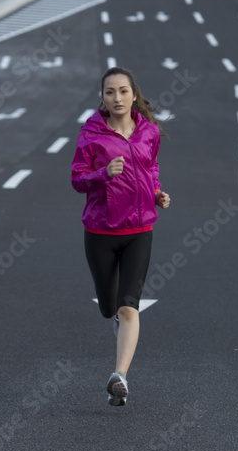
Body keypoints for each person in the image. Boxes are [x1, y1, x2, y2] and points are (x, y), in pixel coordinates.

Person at [70, 67, 171, 407]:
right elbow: (77, 179)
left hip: (140, 229)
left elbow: (150, 167)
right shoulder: (92, 133)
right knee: (108, 306)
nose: (117, 98)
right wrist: (103, 173)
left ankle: (120, 376)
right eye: (110, 92)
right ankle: (112, 317)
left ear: (133, 95)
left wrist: (157, 192)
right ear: (103, 97)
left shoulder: (149, 132)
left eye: (123, 91)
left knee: (129, 307)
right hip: (100, 229)